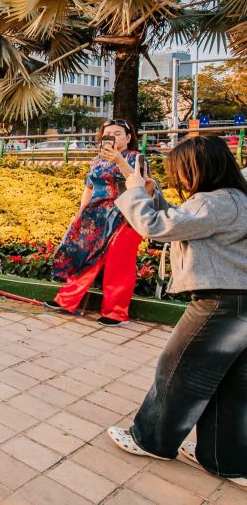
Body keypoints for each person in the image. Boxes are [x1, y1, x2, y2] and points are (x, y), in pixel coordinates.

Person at [105, 136, 247, 486]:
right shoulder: (236, 199)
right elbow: (181, 221)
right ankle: (223, 459)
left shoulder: (215, 203)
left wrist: (136, 189)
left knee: (178, 370)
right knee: (230, 384)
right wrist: (151, 195)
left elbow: (156, 226)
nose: (181, 178)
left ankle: (150, 438)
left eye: (181, 170)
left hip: (220, 302)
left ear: (199, 168)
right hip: (241, 301)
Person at [45, 119, 144, 326]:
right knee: (85, 256)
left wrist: (119, 161)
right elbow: (89, 188)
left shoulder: (136, 159)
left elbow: (138, 184)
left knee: (119, 264)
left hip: (125, 215)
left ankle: (116, 313)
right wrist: (81, 212)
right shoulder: (97, 161)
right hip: (95, 216)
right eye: (108, 134)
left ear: (128, 137)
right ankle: (66, 300)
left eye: (118, 133)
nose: (113, 137)